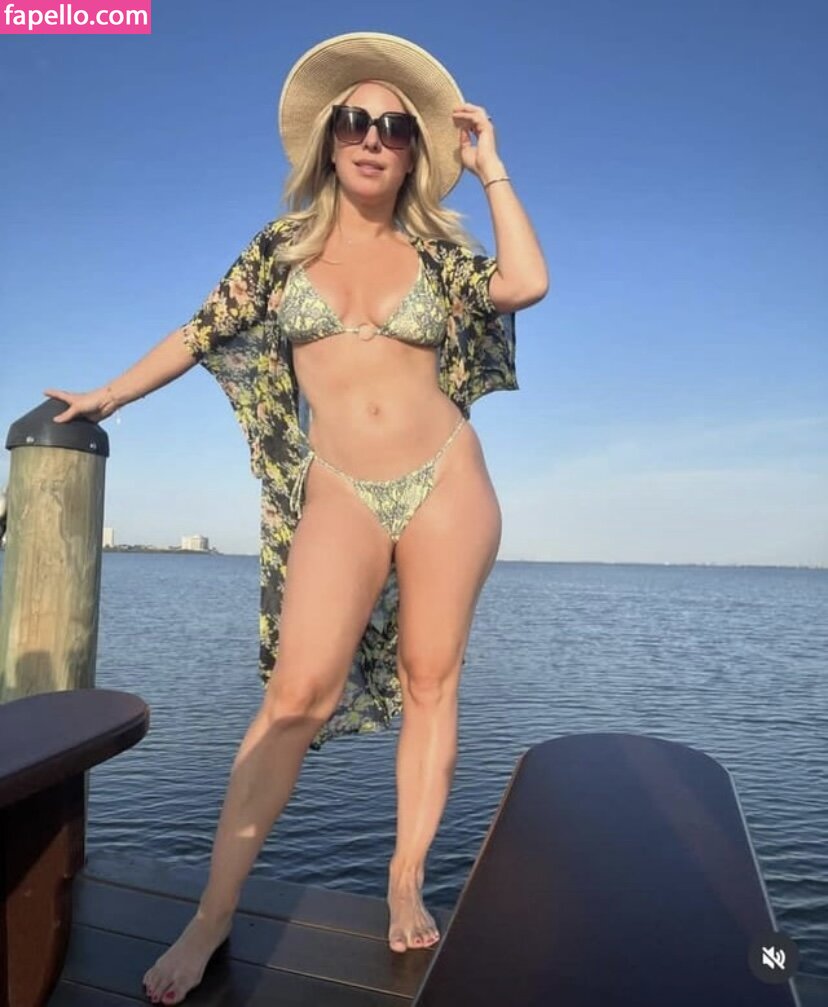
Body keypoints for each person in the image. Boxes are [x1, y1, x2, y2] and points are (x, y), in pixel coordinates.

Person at [45, 31, 547, 1006]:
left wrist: (490, 166)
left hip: (447, 477)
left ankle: (404, 875)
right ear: (329, 138)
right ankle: (211, 915)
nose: (373, 138)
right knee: (293, 697)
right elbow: (199, 332)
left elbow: (523, 283)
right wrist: (107, 395)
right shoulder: (281, 252)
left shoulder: (439, 250)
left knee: (431, 680)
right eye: (356, 120)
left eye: (396, 127)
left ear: (414, 150)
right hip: (340, 489)